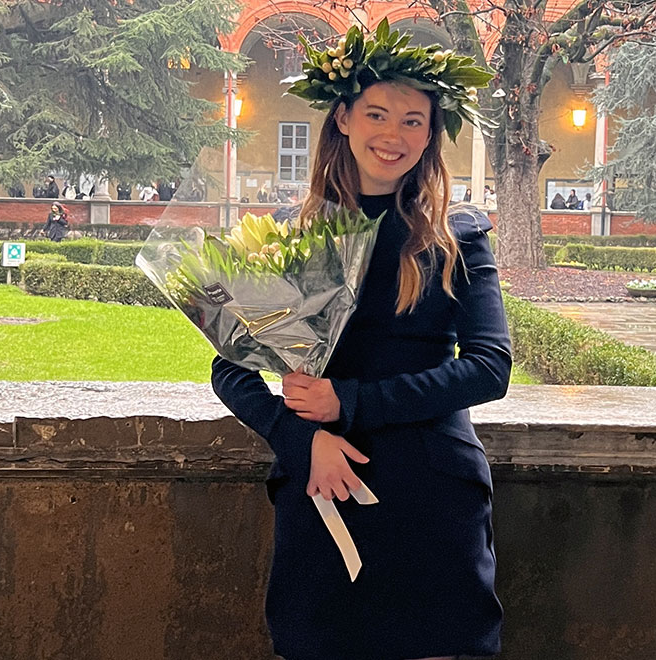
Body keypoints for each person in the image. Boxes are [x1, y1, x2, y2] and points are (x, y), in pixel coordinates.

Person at [210, 21, 507, 660]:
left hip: (429, 492)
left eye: (412, 121)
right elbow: (229, 366)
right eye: (377, 114)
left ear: (430, 134)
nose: (393, 135)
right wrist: (299, 439)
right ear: (343, 118)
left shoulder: (456, 234)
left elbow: (490, 367)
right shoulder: (290, 233)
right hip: (323, 485)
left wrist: (350, 402)